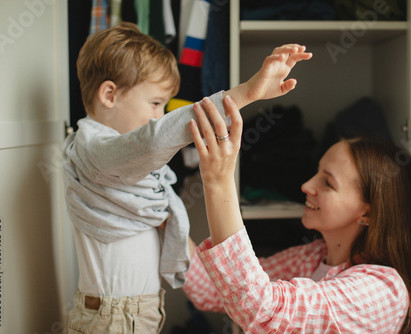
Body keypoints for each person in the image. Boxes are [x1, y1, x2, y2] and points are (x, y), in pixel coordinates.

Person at [63, 22, 312, 333]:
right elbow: (154, 140)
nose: (159, 116)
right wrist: (246, 93)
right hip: (113, 318)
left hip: (135, 311)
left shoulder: (120, 162)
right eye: (155, 104)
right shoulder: (95, 152)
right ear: (110, 94)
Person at [182, 97, 411, 333]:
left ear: (368, 213)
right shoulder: (311, 256)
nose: (306, 186)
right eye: (316, 173)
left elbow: (263, 311)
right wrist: (168, 219)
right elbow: (213, 290)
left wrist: (218, 181)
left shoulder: (382, 290)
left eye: (327, 183)